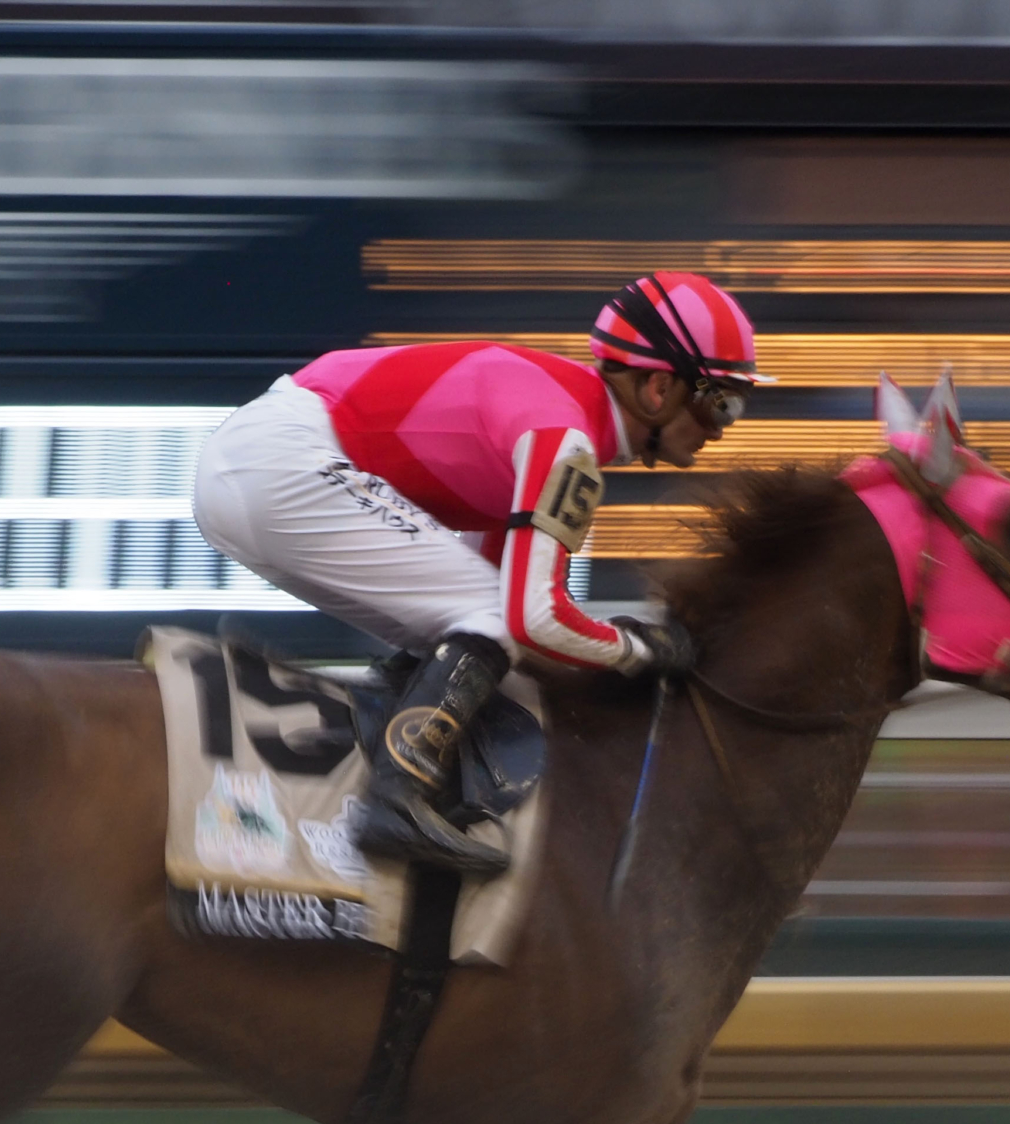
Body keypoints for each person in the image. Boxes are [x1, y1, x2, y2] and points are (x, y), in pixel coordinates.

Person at [191, 271, 771, 878]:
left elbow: (508, 603)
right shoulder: (565, 441)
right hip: (281, 461)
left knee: (472, 623)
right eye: (721, 401)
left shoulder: (563, 427)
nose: (724, 426)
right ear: (658, 387)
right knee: (496, 618)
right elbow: (534, 619)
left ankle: (385, 743)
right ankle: (396, 795)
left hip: (258, 460)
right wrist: (638, 649)